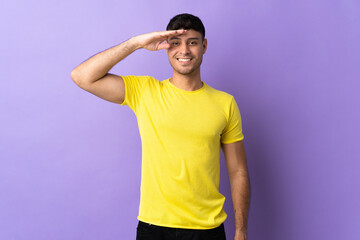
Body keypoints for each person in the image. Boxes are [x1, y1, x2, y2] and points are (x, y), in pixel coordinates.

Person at [71, 13, 250, 240]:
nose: (184, 51)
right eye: (175, 43)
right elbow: (82, 76)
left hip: (207, 230)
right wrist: (135, 43)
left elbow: (238, 171)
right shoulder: (145, 91)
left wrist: (240, 231)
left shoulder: (225, 103)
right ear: (166, 47)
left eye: (192, 42)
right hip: (154, 228)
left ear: (204, 46)